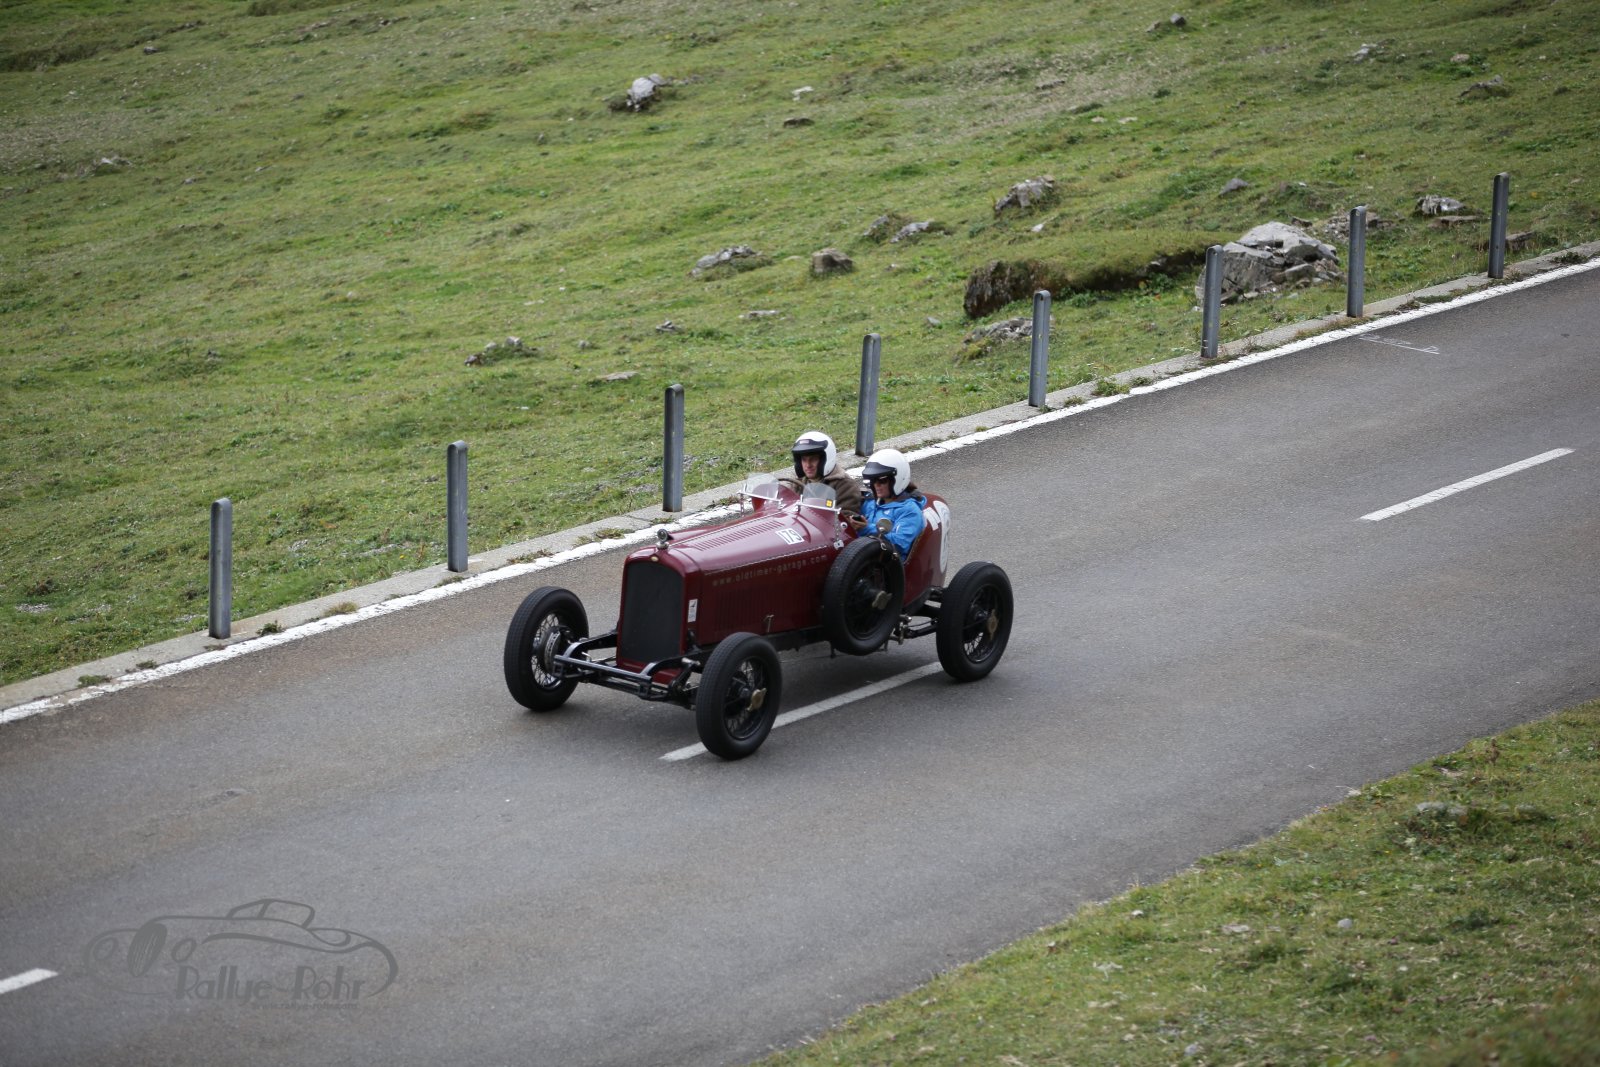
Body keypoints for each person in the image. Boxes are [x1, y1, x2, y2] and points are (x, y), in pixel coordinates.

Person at [849, 448, 925, 559]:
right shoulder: (869, 502)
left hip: (887, 564)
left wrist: (866, 529)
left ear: (897, 479)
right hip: (859, 556)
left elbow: (900, 544)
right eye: (873, 480)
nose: (876, 485)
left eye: (882, 480)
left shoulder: (910, 511)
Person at [787, 430, 862, 517]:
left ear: (825, 460)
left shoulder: (845, 485)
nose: (808, 465)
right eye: (804, 460)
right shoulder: (797, 484)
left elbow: (846, 520)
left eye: (813, 459)